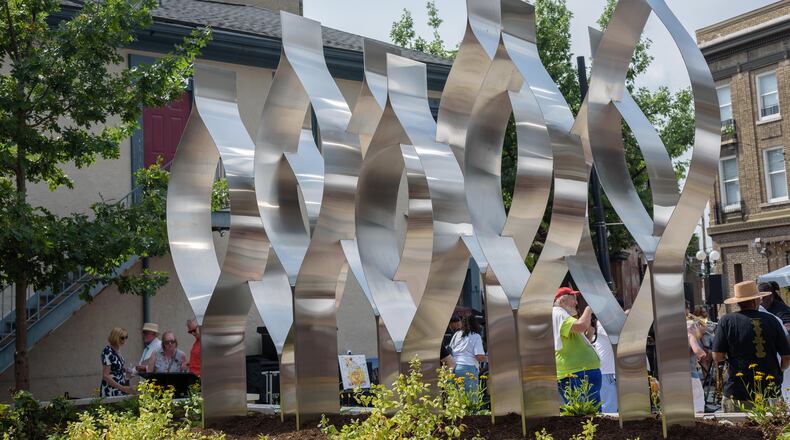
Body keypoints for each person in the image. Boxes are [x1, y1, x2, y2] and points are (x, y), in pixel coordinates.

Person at [712, 281, 790, 412]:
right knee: (772, 430)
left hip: (737, 390)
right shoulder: (772, 320)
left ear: (738, 302)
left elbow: (717, 356)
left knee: (738, 430)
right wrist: (778, 371)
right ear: (756, 301)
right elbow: (786, 357)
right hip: (769, 390)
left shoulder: (726, 321)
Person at [552, 287, 602, 407]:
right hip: (576, 372)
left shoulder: (562, 316)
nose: (576, 302)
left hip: (579, 372)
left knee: (589, 413)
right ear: (562, 301)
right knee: (586, 413)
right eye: (573, 298)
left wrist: (589, 335)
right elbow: (581, 325)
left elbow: (575, 337)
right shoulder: (558, 313)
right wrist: (589, 309)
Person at [449, 315, 486, 396]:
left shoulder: (457, 334)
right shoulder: (476, 336)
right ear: (475, 324)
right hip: (468, 368)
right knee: (470, 398)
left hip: (454, 367)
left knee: (457, 397)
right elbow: (479, 357)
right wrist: (489, 358)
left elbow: (451, 350)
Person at [592, 319, 617, 413]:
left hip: (607, 370)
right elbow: (618, 338)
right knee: (609, 406)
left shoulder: (605, 323)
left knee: (610, 404)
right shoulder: (603, 323)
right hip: (606, 371)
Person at [100, 327, 132, 397]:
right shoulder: (107, 351)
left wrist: (126, 370)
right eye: (122, 338)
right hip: (111, 390)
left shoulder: (117, 349)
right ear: (115, 337)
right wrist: (122, 388)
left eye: (126, 337)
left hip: (119, 388)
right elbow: (106, 376)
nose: (124, 340)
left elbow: (115, 368)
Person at [687, 318, 706, 412]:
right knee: (698, 399)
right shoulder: (690, 335)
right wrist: (702, 353)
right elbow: (697, 349)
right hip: (690, 374)